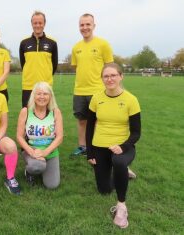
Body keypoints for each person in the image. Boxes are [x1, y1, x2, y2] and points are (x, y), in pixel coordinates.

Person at [86, 63, 141, 228]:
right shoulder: (96, 98)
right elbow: (89, 127)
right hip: (99, 146)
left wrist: (123, 147)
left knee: (118, 161)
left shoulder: (131, 100)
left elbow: (136, 132)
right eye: (106, 76)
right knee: (104, 190)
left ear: (121, 76)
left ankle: (121, 206)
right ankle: (122, 171)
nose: (109, 79)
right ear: (102, 79)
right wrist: (90, 153)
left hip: (123, 146)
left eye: (113, 75)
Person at [70, 13, 113, 157]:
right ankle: (82, 147)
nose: (85, 27)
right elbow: (77, 67)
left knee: (97, 121)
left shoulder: (103, 44)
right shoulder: (76, 47)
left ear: (94, 25)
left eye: (88, 24)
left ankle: (97, 147)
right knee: (82, 120)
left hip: (98, 90)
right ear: (79, 27)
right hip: (80, 91)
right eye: (82, 25)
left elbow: (109, 67)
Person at [16, 82, 63, 189]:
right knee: (36, 166)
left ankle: (44, 166)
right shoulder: (25, 111)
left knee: (52, 185)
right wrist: (32, 152)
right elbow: (19, 136)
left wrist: (45, 152)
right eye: (39, 94)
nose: (42, 97)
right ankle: (30, 171)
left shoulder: (56, 112)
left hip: (50, 151)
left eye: (45, 94)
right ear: (34, 96)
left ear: (50, 96)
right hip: (32, 150)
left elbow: (59, 137)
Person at [19, 11, 58, 107]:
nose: (37, 25)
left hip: (45, 86)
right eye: (35, 23)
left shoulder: (52, 42)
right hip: (28, 86)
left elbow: (54, 64)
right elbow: (23, 63)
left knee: (47, 117)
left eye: (40, 23)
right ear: (32, 24)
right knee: (27, 115)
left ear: (44, 24)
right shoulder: (24, 43)